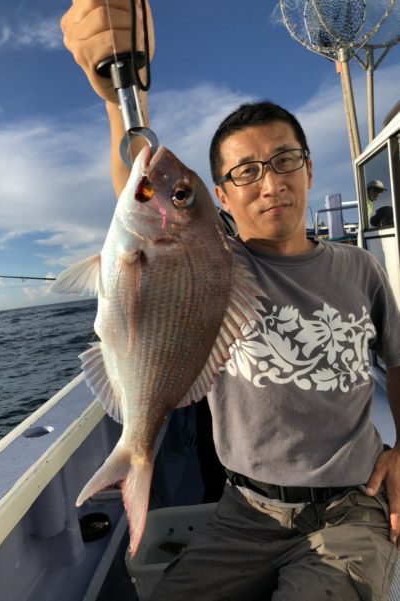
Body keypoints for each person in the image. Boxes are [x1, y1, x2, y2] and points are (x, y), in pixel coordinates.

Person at [61, 2, 400, 599]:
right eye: (246, 172)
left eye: (285, 160)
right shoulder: (213, 264)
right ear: (222, 194)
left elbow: (395, 362)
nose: (270, 183)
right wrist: (120, 100)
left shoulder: (361, 266)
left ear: (310, 169)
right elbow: (145, 202)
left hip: (353, 508)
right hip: (246, 511)